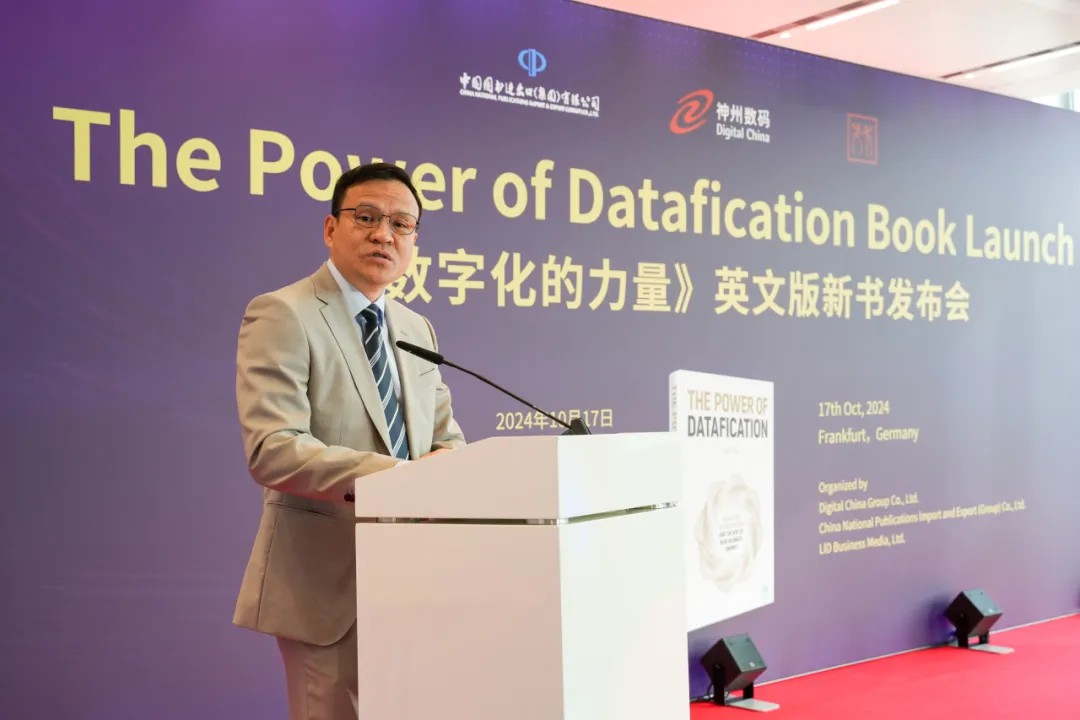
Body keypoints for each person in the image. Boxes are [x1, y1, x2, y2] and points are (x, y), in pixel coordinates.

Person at [232, 162, 466, 719]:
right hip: (326, 586)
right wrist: (400, 480)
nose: (384, 234)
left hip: (414, 579)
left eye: (401, 224)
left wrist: (446, 471)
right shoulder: (283, 313)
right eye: (367, 217)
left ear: (413, 241)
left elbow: (447, 440)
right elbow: (273, 447)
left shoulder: (416, 328)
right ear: (331, 228)